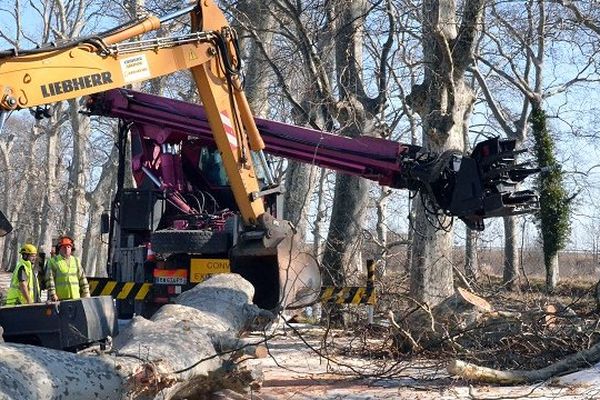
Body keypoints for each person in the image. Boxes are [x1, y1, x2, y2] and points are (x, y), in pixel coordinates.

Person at [45, 235, 90, 301]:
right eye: (64, 247)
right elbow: (49, 280)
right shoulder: (53, 261)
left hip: (76, 298)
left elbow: (82, 278)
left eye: (68, 247)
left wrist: (86, 293)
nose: (66, 249)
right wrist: (53, 294)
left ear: (71, 248)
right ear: (60, 248)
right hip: (60, 299)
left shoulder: (76, 261)